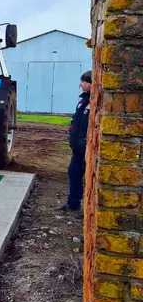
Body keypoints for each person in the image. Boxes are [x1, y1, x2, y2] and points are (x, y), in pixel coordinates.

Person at [60, 70, 92, 212]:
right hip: (78, 148)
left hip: (87, 147)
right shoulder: (83, 101)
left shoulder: (94, 103)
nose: (81, 84)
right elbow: (76, 120)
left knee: (91, 178)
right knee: (73, 173)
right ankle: (73, 203)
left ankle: (88, 210)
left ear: (91, 84)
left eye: (84, 82)